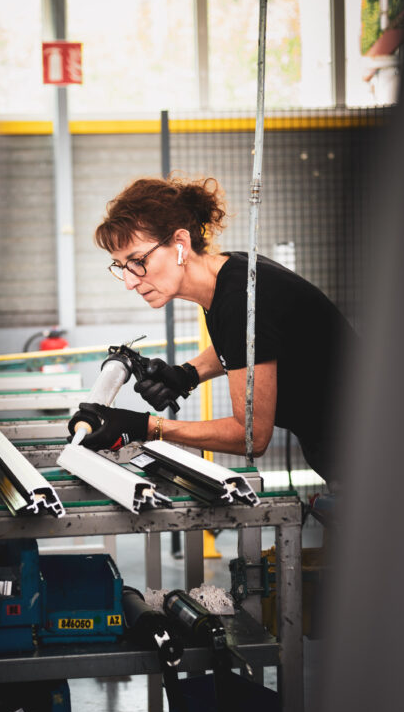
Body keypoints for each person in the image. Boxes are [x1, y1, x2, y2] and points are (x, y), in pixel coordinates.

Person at [68, 176, 357, 486]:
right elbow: (251, 345)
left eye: (137, 261)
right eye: (120, 266)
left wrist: (145, 427)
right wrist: (186, 374)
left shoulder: (241, 299)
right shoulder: (229, 274)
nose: (129, 281)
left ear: (180, 244)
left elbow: (251, 437)